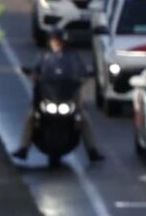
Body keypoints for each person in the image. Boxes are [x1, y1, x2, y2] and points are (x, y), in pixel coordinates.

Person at [15, 25, 105, 164]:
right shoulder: (44, 56)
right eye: (54, 40)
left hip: (66, 96)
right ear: (50, 42)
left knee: (83, 118)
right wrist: (32, 74)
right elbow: (36, 71)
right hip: (48, 96)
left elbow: (81, 71)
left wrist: (85, 76)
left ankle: (92, 150)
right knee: (32, 116)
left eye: (58, 41)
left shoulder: (72, 57)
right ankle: (23, 148)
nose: (56, 43)